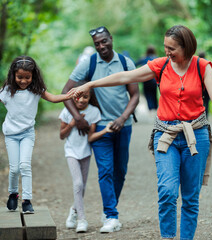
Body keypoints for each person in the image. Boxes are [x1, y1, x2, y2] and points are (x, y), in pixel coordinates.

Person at [72, 25, 212, 239]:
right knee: (167, 191)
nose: (167, 52)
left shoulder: (202, 67)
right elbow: (124, 77)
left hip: (196, 135)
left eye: (172, 48)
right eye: (165, 47)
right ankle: (167, 237)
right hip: (166, 136)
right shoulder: (161, 65)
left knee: (191, 197)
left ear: (187, 47)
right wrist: (91, 83)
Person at [0, 56, 74, 214]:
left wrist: (69, 96)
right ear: (13, 75)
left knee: (25, 165)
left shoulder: (37, 90)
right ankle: (13, 193)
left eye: (27, 77)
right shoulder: (7, 91)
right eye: (20, 77)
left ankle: (27, 201)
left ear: (33, 76)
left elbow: (54, 98)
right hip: (11, 135)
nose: (23, 81)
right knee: (15, 168)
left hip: (27, 134)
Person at [61, 26, 139, 233]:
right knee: (105, 170)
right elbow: (65, 91)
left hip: (124, 125)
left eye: (104, 41)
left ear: (111, 39)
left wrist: (123, 118)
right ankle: (111, 216)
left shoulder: (125, 63)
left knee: (120, 171)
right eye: (97, 44)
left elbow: (135, 95)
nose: (101, 46)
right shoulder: (90, 63)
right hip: (100, 126)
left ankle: (101, 209)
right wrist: (77, 118)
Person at [59, 81, 113, 233]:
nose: (81, 100)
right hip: (71, 152)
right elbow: (61, 135)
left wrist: (106, 131)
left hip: (85, 153)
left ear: (90, 97)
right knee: (78, 184)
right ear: (73, 97)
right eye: (78, 97)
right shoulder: (67, 112)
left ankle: (73, 211)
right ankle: (82, 220)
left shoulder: (94, 112)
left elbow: (90, 138)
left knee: (82, 187)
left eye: (86, 97)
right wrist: (71, 124)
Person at [136, 45, 158, 111]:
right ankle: (155, 107)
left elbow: (135, 64)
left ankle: (150, 107)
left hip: (146, 80)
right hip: (154, 80)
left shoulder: (143, 58)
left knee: (147, 94)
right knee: (154, 93)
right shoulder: (156, 58)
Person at [198, 51, 211, 118]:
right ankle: (206, 116)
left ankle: (201, 116)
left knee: (201, 102)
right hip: (208, 88)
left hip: (201, 88)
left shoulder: (197, 64)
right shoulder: (208, 64)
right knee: (207, 103)